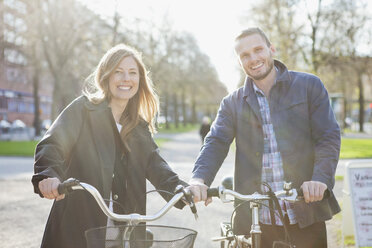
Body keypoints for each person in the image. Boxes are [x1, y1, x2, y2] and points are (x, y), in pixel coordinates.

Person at [188, 27, 341, 248]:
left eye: (258, 50)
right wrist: (199, 179)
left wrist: (320, 179)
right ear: (239, 62)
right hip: (256, 220)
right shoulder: (232, 103)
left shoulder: (309, 86)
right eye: (245, 55)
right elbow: (216, 141)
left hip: (305, 209)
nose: (253, 59)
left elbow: (327, 137)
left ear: (271, 49)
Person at [31, 44, 187, 248]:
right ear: (106, 76)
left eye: (132, 73)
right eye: (118, 72)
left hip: (124, 232)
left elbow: (155, 164)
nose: (126, 79)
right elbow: (53, 144)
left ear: (139, 80)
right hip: (79, 226)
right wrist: (48, 175)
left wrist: (182, 190)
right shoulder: (83, 109)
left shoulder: (138, 127)